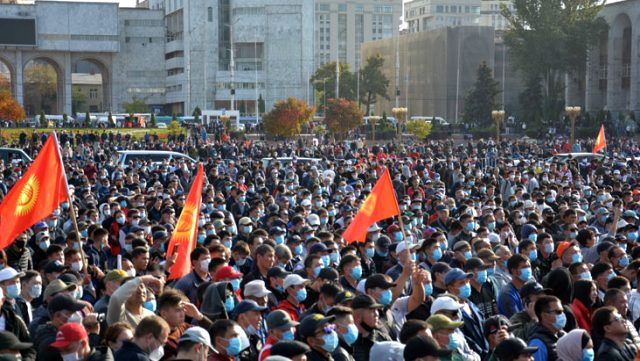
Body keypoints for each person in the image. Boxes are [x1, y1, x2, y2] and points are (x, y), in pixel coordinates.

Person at [527, 295, 567, 361]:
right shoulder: (537, 343)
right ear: (544, 315)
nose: (562, 315)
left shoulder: (563, 335)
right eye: (558, 312)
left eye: (562, 311)